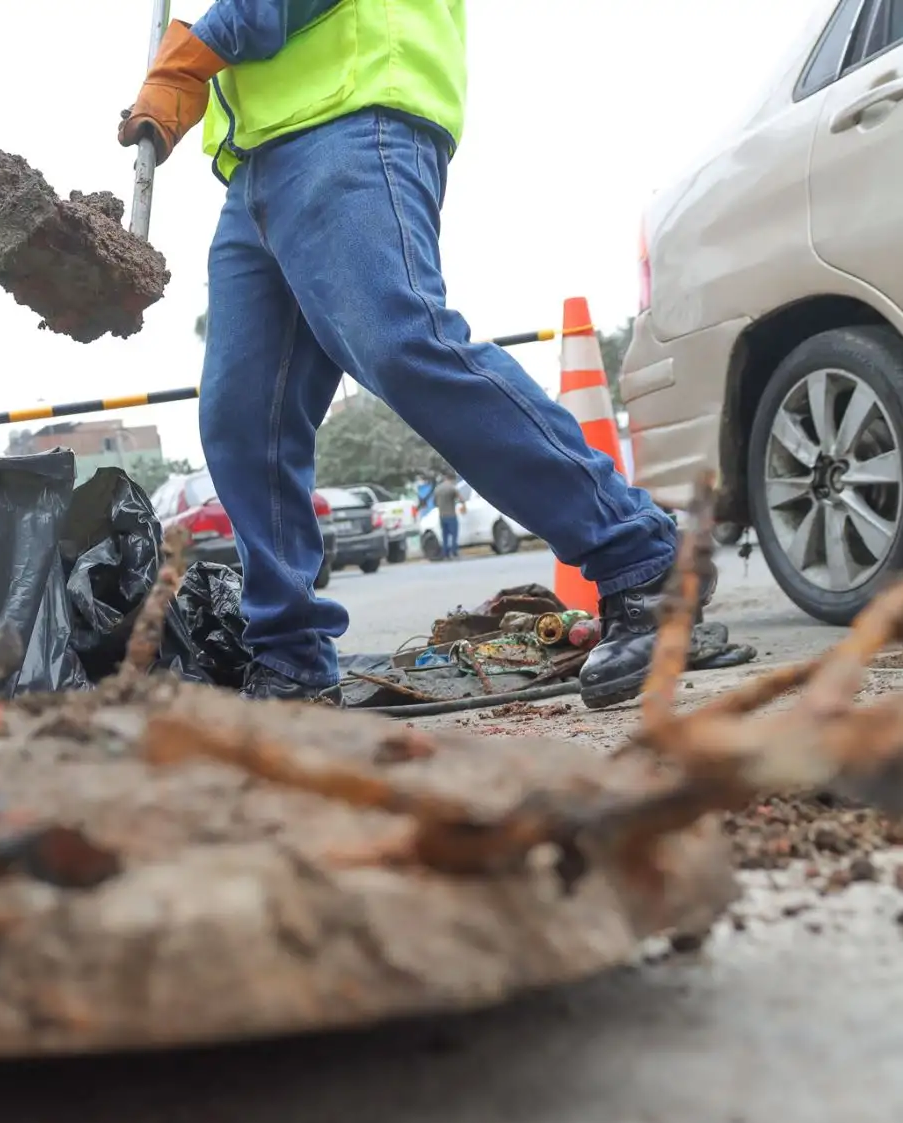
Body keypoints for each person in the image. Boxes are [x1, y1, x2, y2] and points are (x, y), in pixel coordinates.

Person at [118, 1, 710, 710]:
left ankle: (640, 560)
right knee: (241, 417)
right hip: (254, 169)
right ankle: (290, 661)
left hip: (353, 116)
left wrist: (198, 48)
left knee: (402, 342)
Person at [433, 474, 462, 561]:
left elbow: (435, 503)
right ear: (452, 479)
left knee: (445, 536)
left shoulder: (437, 489)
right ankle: (454, 552)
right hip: (451, 515)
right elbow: (460, 498)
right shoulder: (451, 488)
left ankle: (445, 553)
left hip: (442, 516)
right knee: (454, 535)